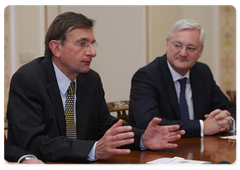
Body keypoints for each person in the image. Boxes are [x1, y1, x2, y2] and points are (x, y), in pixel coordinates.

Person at [6, 12, 185, 163]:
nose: (92, 52)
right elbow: (34, 142)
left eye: (92, 43)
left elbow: (104, 125)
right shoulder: (28, 79)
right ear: (56, 48)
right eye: (82, 44)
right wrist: (93, 149)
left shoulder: (90, 79)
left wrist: (142, 138)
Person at [128, 19, 237, 138]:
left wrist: (226, 121)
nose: (183, 53)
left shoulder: (202, 72)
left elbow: (231, 109)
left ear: (200, 51)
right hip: (157, 153)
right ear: (167, 44)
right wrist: (202, 127)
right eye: (177, 45)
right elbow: (148, 123)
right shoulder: (147, 76)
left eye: (191, 48)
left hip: (198, 150)